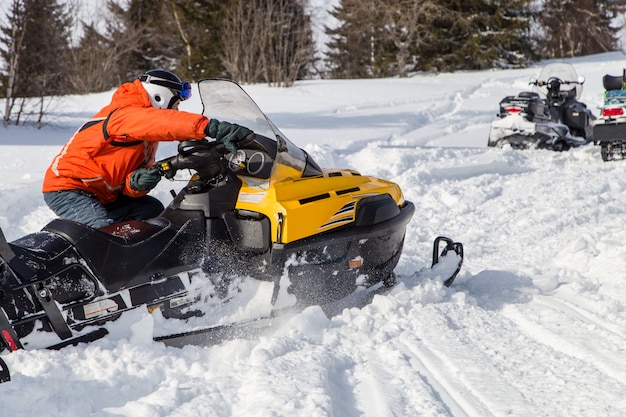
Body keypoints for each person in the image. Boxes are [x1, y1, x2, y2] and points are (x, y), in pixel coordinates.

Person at [42, 69, 252, 229]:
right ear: (160, 96)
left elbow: (128, 185)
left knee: (150, 211)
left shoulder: (144, 132)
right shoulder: (125, 113)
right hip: (68, 189)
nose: (177, 110)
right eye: (176, 104)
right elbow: (166, 123)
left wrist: (137, 183)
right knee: (102, 238)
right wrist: (210, 127)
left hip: (102, 194)